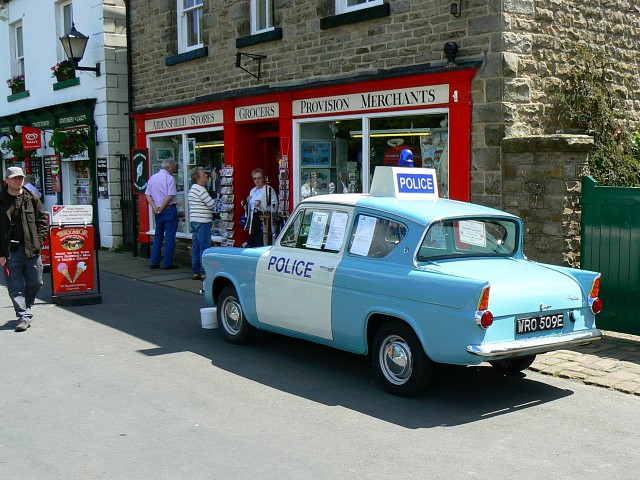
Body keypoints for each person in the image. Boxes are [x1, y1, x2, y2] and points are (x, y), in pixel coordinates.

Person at [0, 167, 48, 332]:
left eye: (20, 178)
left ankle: (26, 309)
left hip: (31, 248)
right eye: (14, 178)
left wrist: (39, 242)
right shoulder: (1, 199)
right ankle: (23, 316)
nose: (18, 181)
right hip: (10, 250)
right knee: (15, 285)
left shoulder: (31, 198)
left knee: (36, 281)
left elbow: (42, 221)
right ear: (6, 180)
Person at [145, 158, 178, 269]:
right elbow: (170, 195)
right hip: (168, 210)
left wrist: (155, 207)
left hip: (157, 211)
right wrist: (162, 208)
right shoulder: (170, 178)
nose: (175, 169)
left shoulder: (153, 178)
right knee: (169, 236)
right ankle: (168, 263)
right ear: (169, 167)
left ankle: (154, 262)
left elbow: (147, 195)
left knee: (158, 236)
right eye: (174, 167)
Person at [188, 167, 215, 280]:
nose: (206, 176)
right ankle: (204, 271)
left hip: (194, 221)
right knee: (205, 246)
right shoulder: (201, 189)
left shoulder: (192, 189)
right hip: (203, 221)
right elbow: (211, 204)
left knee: (196, 246)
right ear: (198, 178)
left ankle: (195, 271)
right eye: (204, 175)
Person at [246, 168, 277, 247]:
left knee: (264, 243)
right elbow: (250, 208)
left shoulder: (269, 190)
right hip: (255, 223)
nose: (257, 180)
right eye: (255, 178)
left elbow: (275, 207)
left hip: (265, 223)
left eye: (259, 178)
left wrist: (261, 205)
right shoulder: (252, 191)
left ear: (263, 178)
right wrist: (247, 203)